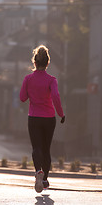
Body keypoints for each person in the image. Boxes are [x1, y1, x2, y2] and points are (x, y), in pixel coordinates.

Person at [20, 45, 65, 193]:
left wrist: (30, 90)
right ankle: (45, 179)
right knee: (46, 149)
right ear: (47, 63)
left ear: (34, 62)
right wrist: (61, 114)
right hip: (49, 118)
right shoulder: (52, 80)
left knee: (36, 148)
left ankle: (38, 171)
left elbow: (22, 98)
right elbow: (55, 97)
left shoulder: (28, 78)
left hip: (33, 117)